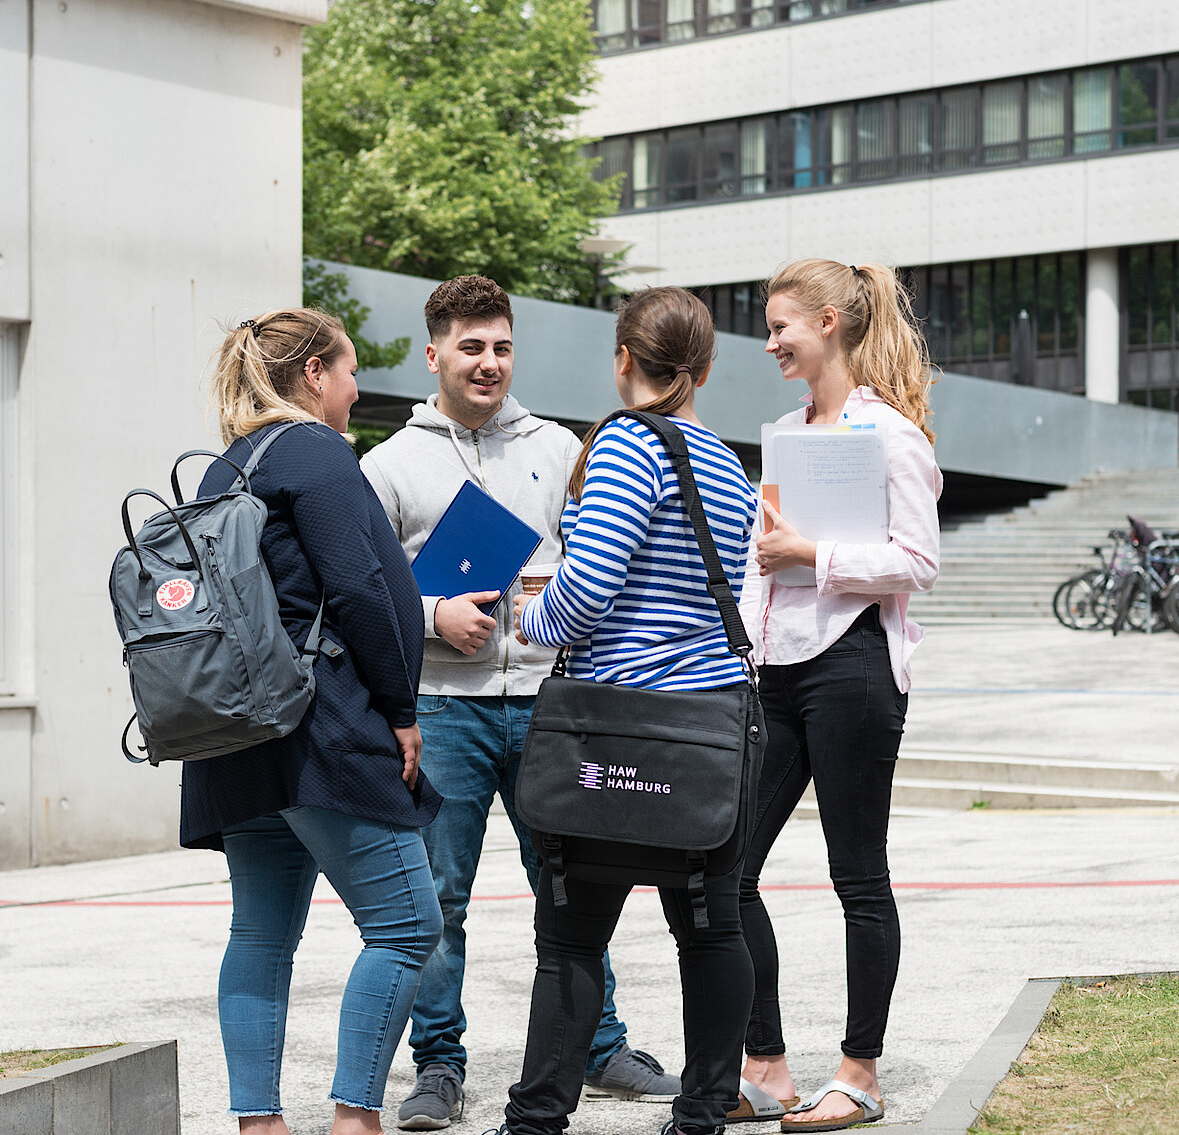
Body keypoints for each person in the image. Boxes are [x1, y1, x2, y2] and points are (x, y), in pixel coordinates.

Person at [360, 275, 680, 1126]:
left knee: (574, 884)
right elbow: (358, 593)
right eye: (470, 347)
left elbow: (601, 561)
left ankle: (600, 1047)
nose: (489, 362)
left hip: (548, 700)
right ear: (433, 355)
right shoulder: (386, 465)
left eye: (501, 346)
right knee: (439, 897)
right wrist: (432, 614)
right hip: (443, 706)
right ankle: (439, 1065)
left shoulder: (566, 448)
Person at [501, 286, 759, 1135]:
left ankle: (536, 1122)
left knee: (571, 942)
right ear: (706, 368)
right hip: (709, 731)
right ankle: (700, 1118)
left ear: (623, 360)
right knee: (711, 932)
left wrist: (519, 615)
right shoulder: (726, 461)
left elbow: (580, 602)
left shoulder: (623, 446)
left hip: (618, 727)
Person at [187, 308, 442, 1135]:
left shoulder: (223, 468)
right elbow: (364, 588)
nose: (355, 387)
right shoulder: (316, 453)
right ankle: (354, 1118)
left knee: (260, 933)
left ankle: (259, 1123)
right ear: (312, 375)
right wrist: (401, 712)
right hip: (319, 727)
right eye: (349, 369)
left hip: (237, 735)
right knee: (407, 926)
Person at [736, 260, 941, 1132]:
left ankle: (859, 1073)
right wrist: (741, 649)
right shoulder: (785, 431)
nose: (772, 341)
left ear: (828, 321)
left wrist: (814, 557)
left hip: (853, 667)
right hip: (773, 672)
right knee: (726, 866)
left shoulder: (893, 436)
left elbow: (919, 562)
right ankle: (768, 1065)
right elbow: (760, 563)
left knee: (857, 874)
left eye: (783, 326)